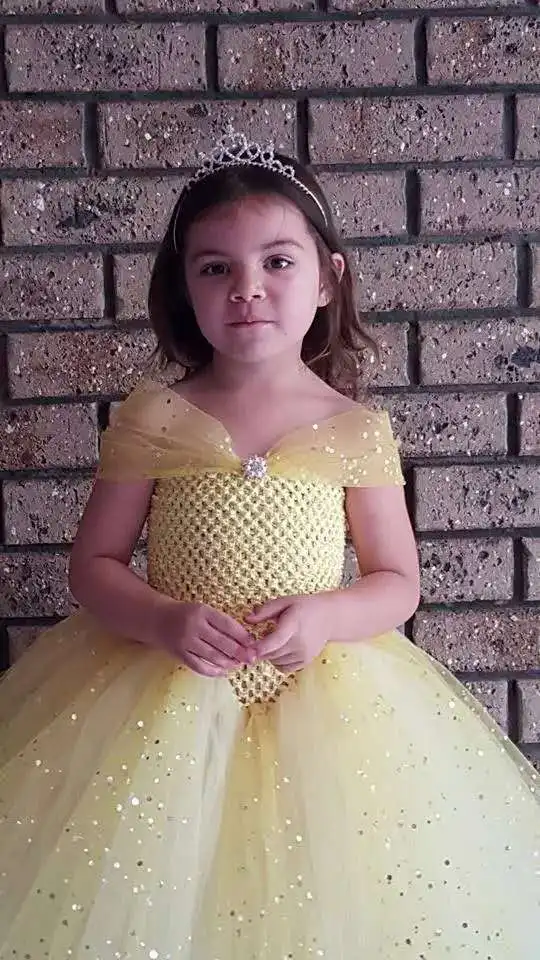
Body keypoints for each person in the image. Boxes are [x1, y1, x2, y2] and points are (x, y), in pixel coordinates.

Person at [0, 130, 538, 959]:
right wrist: (163, 619)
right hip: (163, 692)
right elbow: (93, 567)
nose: (247, 288)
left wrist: (325, 616)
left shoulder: (354, 429)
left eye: (277, 262)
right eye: (215, 267)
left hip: (320, 704)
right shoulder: (155, 416)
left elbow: (398, 580)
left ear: (327, 279)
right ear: (184, 288)